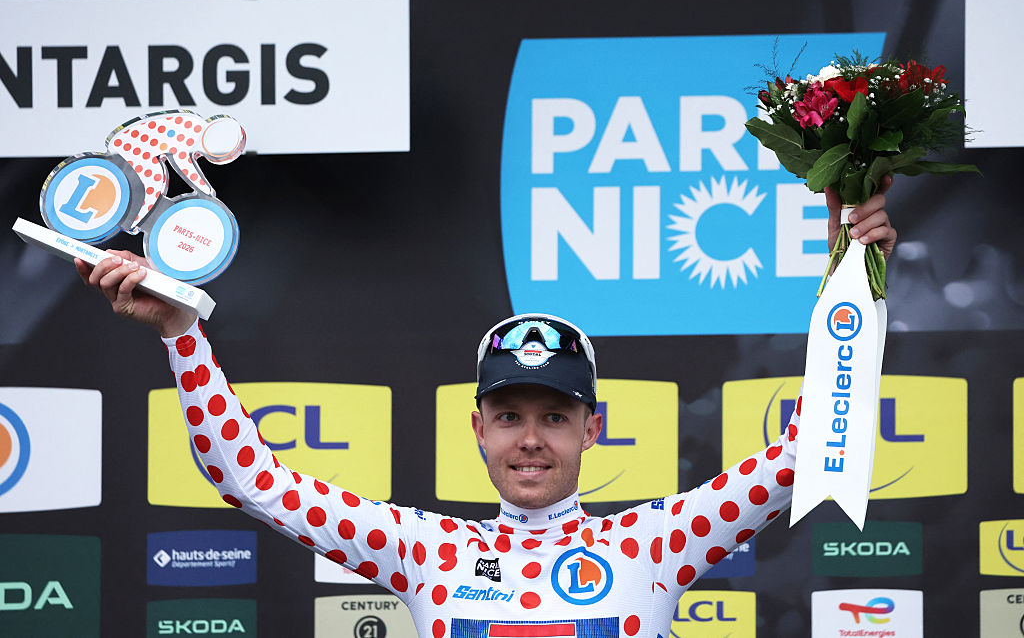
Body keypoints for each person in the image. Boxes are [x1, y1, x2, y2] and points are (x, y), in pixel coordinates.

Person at [75, 181, 896, 638]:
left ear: (593, 428)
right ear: (476, 427)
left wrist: (851, 270)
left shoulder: (657, 538)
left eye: (555, 414)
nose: (531, 439)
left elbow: (812, 445)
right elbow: (247, 477)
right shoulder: (423, 547)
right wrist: (183, 331)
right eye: (509, 415)